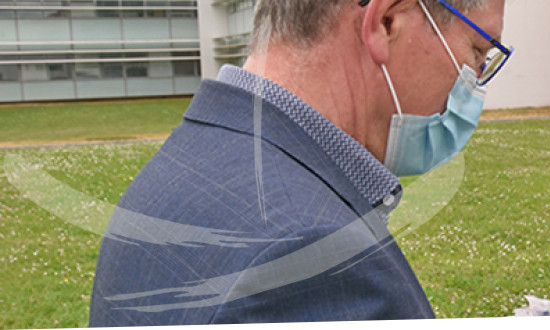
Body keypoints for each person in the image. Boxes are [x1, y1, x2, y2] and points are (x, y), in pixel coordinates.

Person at [89, 0, 510, 325]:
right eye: (478, 53)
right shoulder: (314, 257)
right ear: (387, 22)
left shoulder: (187, 162)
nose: (474, 82)